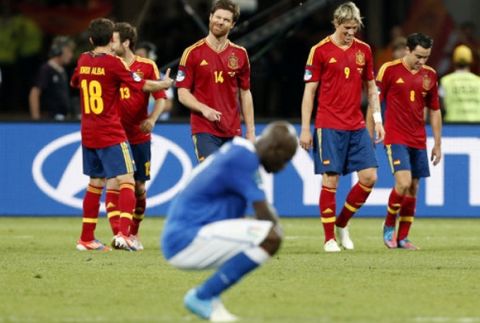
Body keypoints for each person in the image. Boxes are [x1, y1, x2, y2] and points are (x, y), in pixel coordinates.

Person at [161, 121, 298, 322]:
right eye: (285, 159)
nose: (283, 167)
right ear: (273, 148)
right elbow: (264, 213)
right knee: (271, 238)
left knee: (261, 233)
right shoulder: (244, 158)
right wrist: (276, 230)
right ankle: (202, 296)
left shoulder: (240, 152)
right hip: (185, 239)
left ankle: (211, 298)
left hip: (184, 235)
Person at [71, 18, 174, 251]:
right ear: (110, 40)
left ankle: (86, 238)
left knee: (95, 183)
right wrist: (164, 83)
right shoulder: (114, 64)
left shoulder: (83, 59)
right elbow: (142, 85)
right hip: (110, 131)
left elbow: (76, 81)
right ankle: (124, 235)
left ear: (90, 40)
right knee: (127, 179)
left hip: (88, 131)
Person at [299, 2, 385, 252]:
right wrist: (306, 128)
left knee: (369, 177)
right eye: (346, 28)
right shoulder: (320, 50)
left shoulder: (364, 50)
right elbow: (309, 92)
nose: (350, 33)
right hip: (328, 124)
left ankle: (342, 222)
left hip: (356, 123)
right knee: (331, 179)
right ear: (336, 23)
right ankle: (329, 239)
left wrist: (378, 121)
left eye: (354, 28)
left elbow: (371, 87)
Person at [105, 22, 168, 250]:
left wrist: (152, 119)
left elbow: (161, 96)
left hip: (139, 136)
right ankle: (119, 236)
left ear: (126, 42)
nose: (110, 44)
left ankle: (133, 233)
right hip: (114, 134)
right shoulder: (109, 64)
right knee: (114, 182)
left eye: (113, 40)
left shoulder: (147, 65)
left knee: (139, 187)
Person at [377, 33, 442, 250]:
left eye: (426, 57)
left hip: (418, 139)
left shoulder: (430, 75)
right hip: (395, 136)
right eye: (419, 56)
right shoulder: (389, 70)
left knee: (413, 188)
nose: (422, 61)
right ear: (408, 50)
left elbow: (434, 110)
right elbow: (375, 101)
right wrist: (374, 128)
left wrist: (437, 143)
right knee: (403, 183)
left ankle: (403, 237)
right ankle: (388, 228)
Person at [176, 0, 255, 162]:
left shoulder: (240, 54)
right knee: (214, 171)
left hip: (233, 130)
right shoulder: (192, 53)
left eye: (226, 20)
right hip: (204, 128)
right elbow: (182, 93)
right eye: (217, 17)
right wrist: (203, 108)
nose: (220, 22)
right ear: (210, 17)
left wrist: (251, 131)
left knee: (232, 180)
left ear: (232, 25)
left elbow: (245, 93)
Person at [29, 36, 75, 120]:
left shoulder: (62, 70)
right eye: (69, 51)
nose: (71, 55)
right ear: (59, 51)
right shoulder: (46, 69)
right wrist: (36, 119)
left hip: (62, 120)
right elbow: (34, 93)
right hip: (51, 120)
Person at [440, 45, 480, 122]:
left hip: (452, 126)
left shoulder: (445, 81)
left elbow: (442, 106)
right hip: (476, 126)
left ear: (454, 60)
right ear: (471, 60)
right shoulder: (478, 81)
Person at [135, 41, 174, 120]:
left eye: (141, 56)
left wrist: (149, 114)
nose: (137, 60)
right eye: (136, 56)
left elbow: (168, 105)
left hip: (159, 125)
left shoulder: (162, 79)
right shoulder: (131, 78)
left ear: (151, 58)